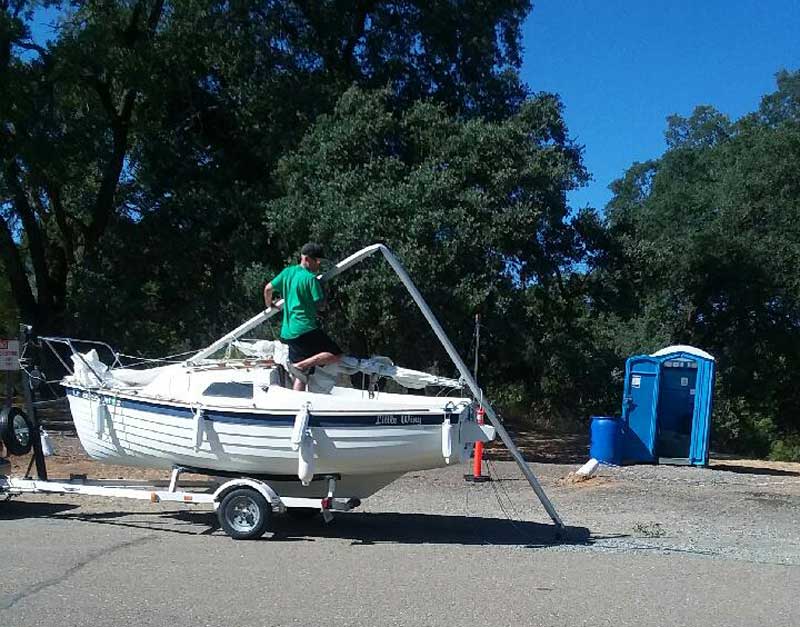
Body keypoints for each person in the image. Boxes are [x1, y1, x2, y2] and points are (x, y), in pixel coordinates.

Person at [263, 242, 342, 391]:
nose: (319, 265)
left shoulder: (287, 273)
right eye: (317, 261)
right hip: (305, 328)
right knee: (336, 354)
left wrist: (270, 305)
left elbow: (268, 289)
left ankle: (295, 403)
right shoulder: (310, 279)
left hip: (288, 332)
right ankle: (301, 365)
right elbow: (321, 304)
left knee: (301, 375)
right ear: (306, 259)